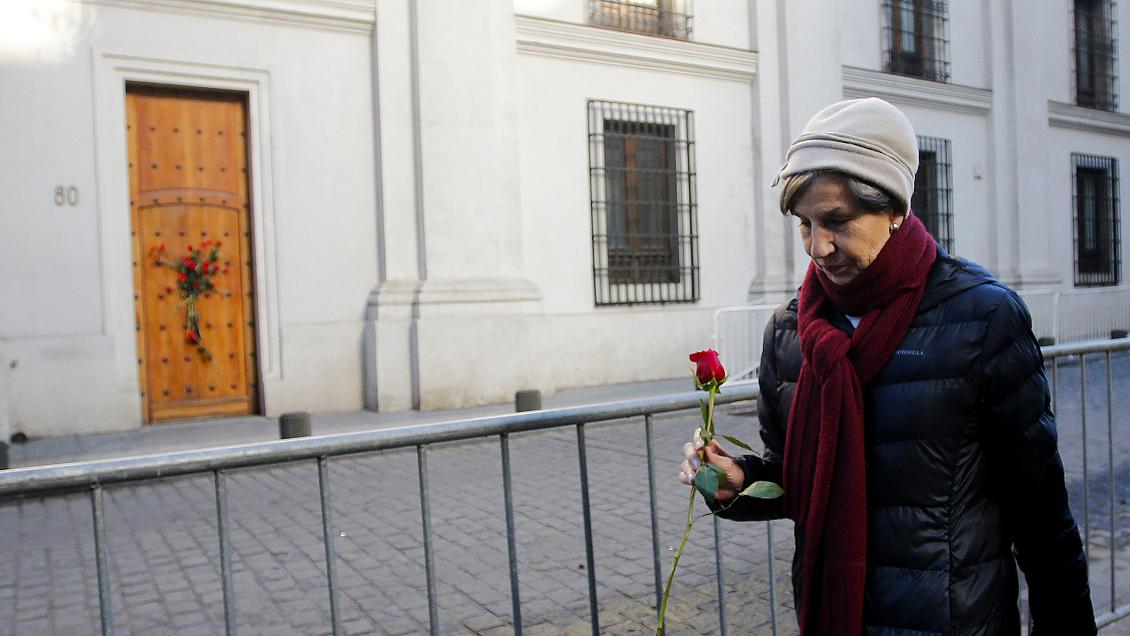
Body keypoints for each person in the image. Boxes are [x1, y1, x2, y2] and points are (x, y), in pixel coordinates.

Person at [679, 97, 1096, 634]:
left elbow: (1039, 510)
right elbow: (797, 476)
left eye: (837, 221)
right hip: (836, 615)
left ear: (895, 209)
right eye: (805, 224)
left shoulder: (982, 317)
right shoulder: (789, 332)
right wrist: (740, 482)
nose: (818, 247)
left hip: (954, 621)